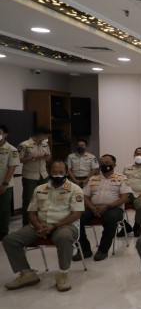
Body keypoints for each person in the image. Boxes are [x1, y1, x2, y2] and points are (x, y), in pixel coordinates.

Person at [2, 160, 83, 291]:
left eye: (61, 172)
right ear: (49, 172)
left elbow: (76, 214)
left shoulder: (75, 189)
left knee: (64, 237)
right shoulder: (39, 189)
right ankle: (27, 273)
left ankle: (63, 274)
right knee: (10, 240)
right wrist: (38, 226)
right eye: (54, 172)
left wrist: (54, 226)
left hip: (64, 225)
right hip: (40, 225)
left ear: (67, 173)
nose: (58, 175)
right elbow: (32, 213)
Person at [74, 154, 131, 261]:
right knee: (76, 218)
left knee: (110, 218)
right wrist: (92, 207)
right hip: (93, 208)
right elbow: (85, 196)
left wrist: (107, 206)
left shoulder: (122, 178)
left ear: (114, 165)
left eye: (107, 163)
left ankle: (103, 250)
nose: (104, 165)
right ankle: (84, 249)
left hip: (114, 208)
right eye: (102, 163)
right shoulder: (93, 179)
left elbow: (125, 197)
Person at [17, 127, 51, 226]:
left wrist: (46, 156)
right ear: (40, 135)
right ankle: (26, 222)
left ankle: (42, 221)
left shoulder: (45, 144)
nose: (47, 138)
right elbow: (19, 159)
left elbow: (49, 157)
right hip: (30, 175)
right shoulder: (24, 145)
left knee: (44, 198)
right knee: (28, 199)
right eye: (46, 136)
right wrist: (33, 157)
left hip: (43, 175)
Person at [0, 124, 20, 240]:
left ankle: (3, 232)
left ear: (5, 134)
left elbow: (12, 168)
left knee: (4, 209)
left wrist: (4, 184)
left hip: (4, 185)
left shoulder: (12, 149)